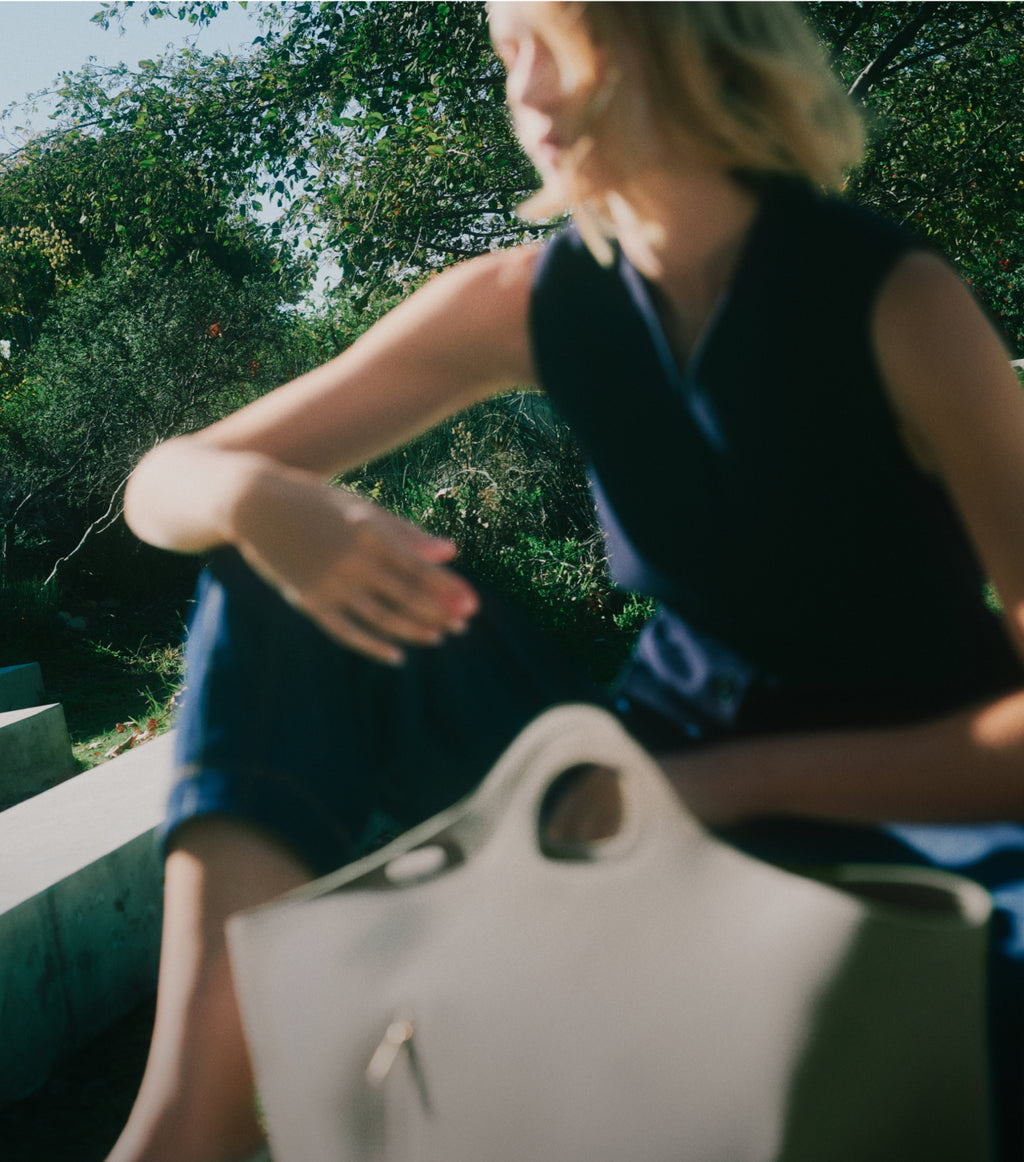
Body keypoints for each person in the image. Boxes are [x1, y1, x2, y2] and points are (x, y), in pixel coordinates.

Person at [111, 3, 1024, 1160]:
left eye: (556, 41)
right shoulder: (529, 300)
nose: (524, 94)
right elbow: (165, 484)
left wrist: (716, 785)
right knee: (257, 572)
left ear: (680, 40)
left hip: (914, 806)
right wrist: (256, 499)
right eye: (506, 54)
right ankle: (185, 1129)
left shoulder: (899, 300)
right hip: (639, 762)